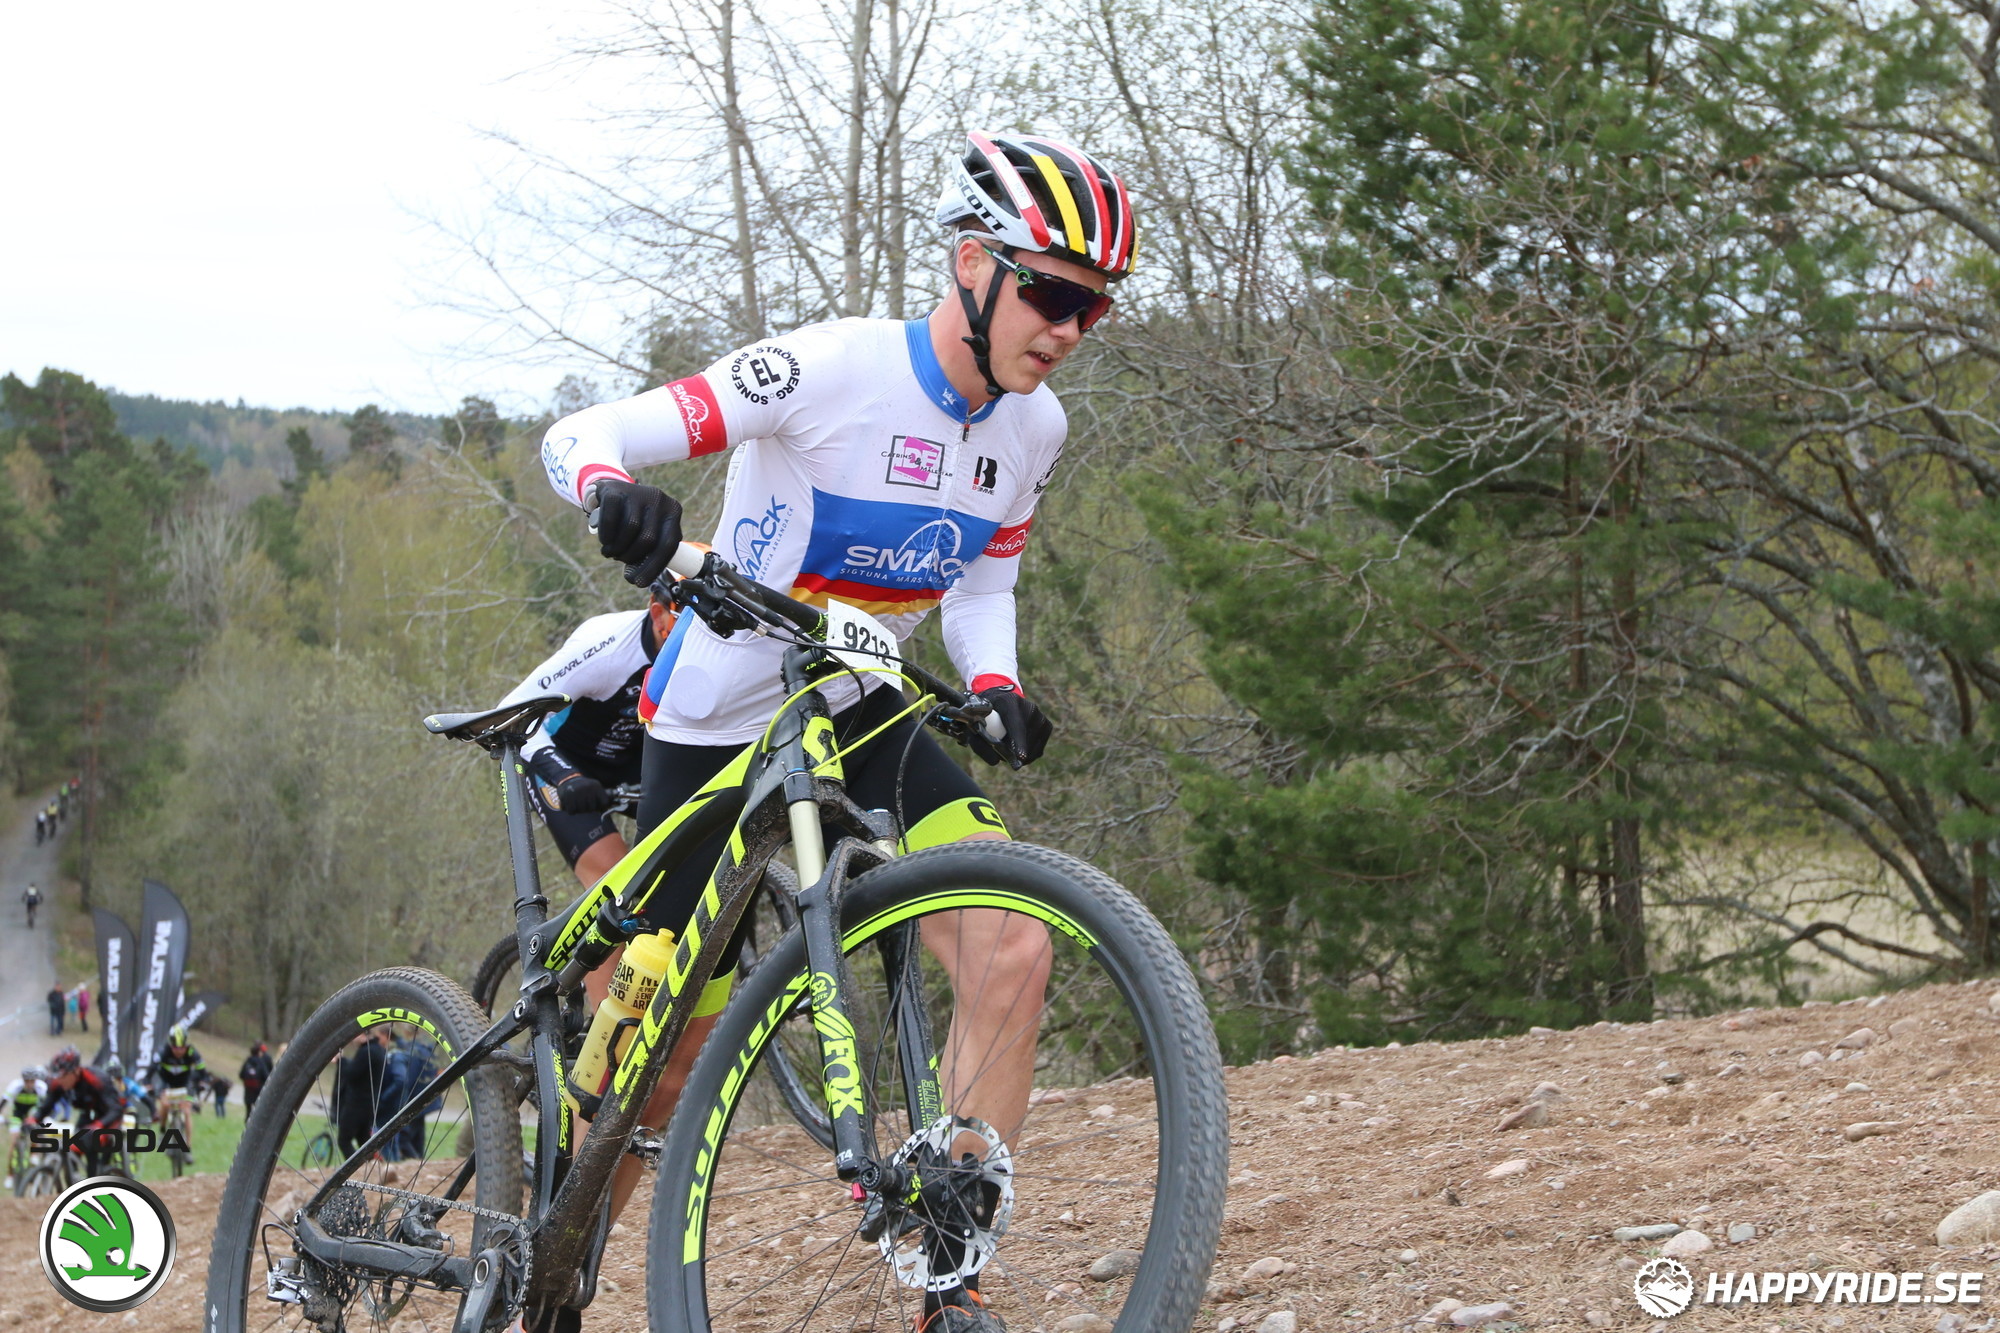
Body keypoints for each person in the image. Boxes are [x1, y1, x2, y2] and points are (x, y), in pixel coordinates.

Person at [539, 129, 1131, 1333]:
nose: (1069, 328)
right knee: (662, 1049)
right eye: (1052, 294)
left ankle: (949, 1283)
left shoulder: (1034, 429)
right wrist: (612, 496)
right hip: (715, 715)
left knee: (1013, 945)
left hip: (857, 697)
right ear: (972, 265)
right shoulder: (827, 368)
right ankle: (542, 1276)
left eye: (1094, 307)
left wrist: (997, 679)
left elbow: (983, 580)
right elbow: (581, 435)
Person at [493, 588, 682, 890]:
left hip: (631, 760)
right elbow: (511, 714)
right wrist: (566, 777)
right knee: (616, 886)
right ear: (658, 615)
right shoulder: (606, 647)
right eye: (685, 622)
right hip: (561, 763)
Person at [27, 1047, 126, 1179]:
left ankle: (96, 1182)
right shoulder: (59, 1083)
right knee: (71, 1148)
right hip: (88, 1115)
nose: (59, 1080)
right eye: (56, 1076)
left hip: (109, 1117)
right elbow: (46, 1106)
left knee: (92, 1146)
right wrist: (33, 1119)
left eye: (63, 1076)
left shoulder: (97, 1079)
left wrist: (98, 1125)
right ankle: (75, 1179)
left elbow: (116, 1109)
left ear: (76, 1071)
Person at [150, 1024, 207, 1150]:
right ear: (171, 1045)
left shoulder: (191, 1052)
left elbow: (202, 1071)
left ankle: (188, 1145)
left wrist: (203, 1083)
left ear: (186, 1045)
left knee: (187, 1110)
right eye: (175, 1048)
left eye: (182, 1048)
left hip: (185, 1083)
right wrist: (148, 1083)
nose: (179, 1051)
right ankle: (162, 1131)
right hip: (166, 1082)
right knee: (165, 1104)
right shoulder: (164, 1050)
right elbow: (152, 1068)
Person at [332, 1030, 386, 1158]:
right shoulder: (378, 1050)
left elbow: (351, 1074)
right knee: (363, 1141)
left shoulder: (366, 1051)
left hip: (356, 1103)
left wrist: (341, 1060)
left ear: (362, 1035)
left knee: (344, 1141)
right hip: (369, 1103)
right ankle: (373, 1166)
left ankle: (357, 1167)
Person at [239, 1042, 273, 1115]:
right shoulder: (261, 1062)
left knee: (248, 1110)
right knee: (257, 1110)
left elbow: (241, 1075)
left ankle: (247, 1120)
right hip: (258, 1089)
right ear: (259, 1052)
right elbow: (266, 1076)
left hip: (248, 1088)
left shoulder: (248, 1061)